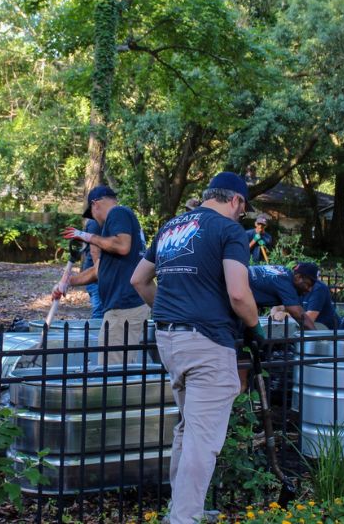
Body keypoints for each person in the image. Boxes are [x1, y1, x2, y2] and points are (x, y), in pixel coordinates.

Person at [130, 171, 259, 524]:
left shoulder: (170, 227)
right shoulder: (229, 230)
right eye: (242, 210)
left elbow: (138, 279)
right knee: (203, 438)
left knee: (189, 429)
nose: (240, 217)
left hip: (169, 339)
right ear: (236, 200)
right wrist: (254, 325)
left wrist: (169, 310)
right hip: (206, 343)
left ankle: (183, 509)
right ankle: (184, 518)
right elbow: (238, 292)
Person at [57, 185, 149, 366]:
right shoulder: (112, 230)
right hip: (119, 308)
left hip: (124, 306)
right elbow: (99, 270)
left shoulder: (118, 212)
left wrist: (86, 236)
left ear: (95, 204)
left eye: (91, 214)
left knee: (112, 373)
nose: (95, 222)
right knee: (113, 367)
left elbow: (123, 246)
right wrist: (68, 281)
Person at [248, 264, 318, 330]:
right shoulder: (285, 283)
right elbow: (298, 314)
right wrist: (318, 338)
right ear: (298, 277)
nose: (309, 289)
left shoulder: (285, 273)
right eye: (308, 284)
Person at [294, 262, 340, 329]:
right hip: (312, 330)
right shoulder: (295, 286)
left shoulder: (319, 288)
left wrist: (286, 314)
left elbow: (309, 319)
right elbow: (278, 307)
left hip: (328, 331)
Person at [82, 218, 104, 319]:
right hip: (95, 276)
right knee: (99, 311)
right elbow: (94, 250)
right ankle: (95, 334)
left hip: (98, 274)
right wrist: (100, 275)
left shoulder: (101, 221)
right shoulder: (95, 222)